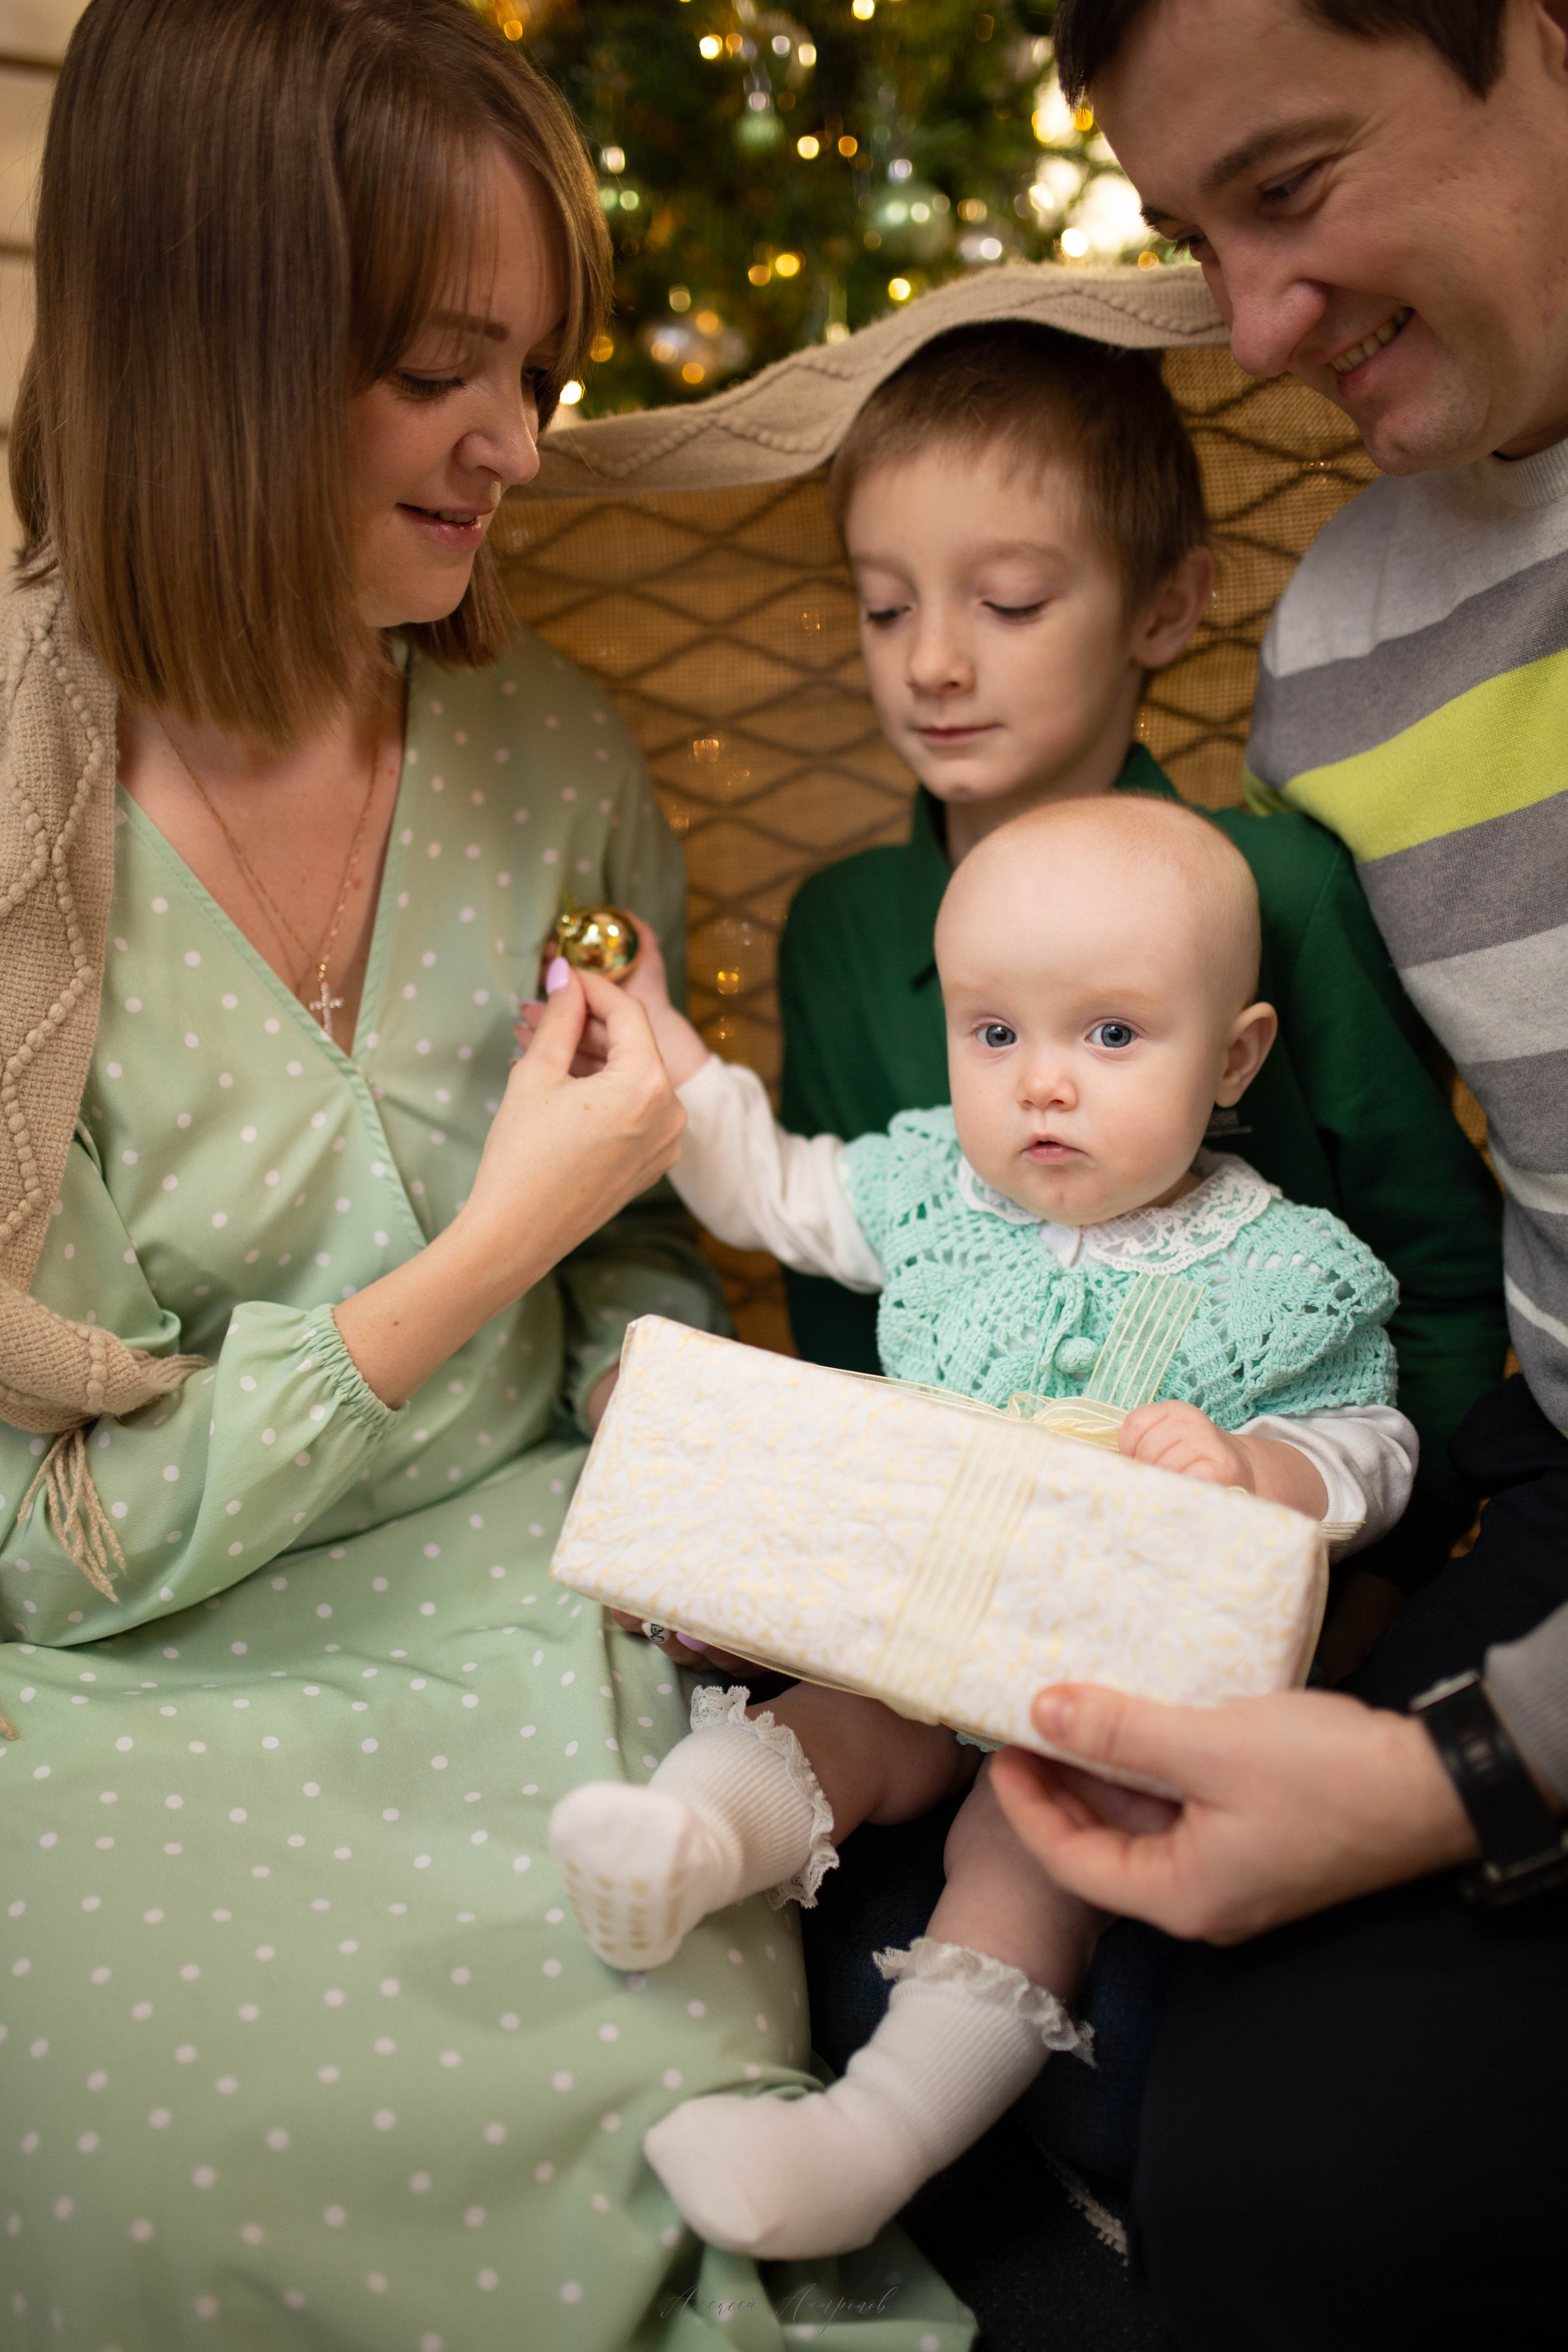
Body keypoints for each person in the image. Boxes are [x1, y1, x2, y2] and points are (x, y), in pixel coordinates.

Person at [0, 7, 971, 2348]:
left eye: (535, 369)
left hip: (540, 1604)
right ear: (212, 356)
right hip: (121, 1695)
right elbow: (50, 1559)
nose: (517, 449)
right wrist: (488, 1248)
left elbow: (637, 1253)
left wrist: (715, 1491)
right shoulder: (25, 833)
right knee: (138, 2179)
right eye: (443, 368)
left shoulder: (548, 752)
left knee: (663, 2180)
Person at [767, 314, 1506, 2174]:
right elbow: (845, 1293)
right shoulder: (851, 925)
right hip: (936, 1582)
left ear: (1165, 610)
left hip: (1248, 1561)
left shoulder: (1272, 889)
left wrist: (1367, 1561)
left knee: (1182, 2008)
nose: (934, 662)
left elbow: (1423, 1259)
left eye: (1010, 601)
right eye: (883, 608)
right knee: (841, 1933)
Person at [984, 1, 1568, 2343]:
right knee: (1270, 2186)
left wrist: (1456, 1781)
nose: (1250, 324)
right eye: (1191, 233)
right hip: (1540, 1468)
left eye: (1297, 183)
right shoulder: (1343, 642)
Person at [546, 792, 1418, 2260]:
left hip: (1092, 1695)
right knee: (818, 1720)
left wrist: (1260, 1469)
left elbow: (1375, 1444)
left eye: (1111, 1036)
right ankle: (683, 1846)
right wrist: (663, 1044)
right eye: (993, 1035)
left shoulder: (1282, 1267)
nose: (1042, 1088)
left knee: (1026, 1859)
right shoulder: (944, 1202)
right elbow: (773, 1184)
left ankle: (859, 2148)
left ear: (1234, 1058)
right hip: (913, 1625)